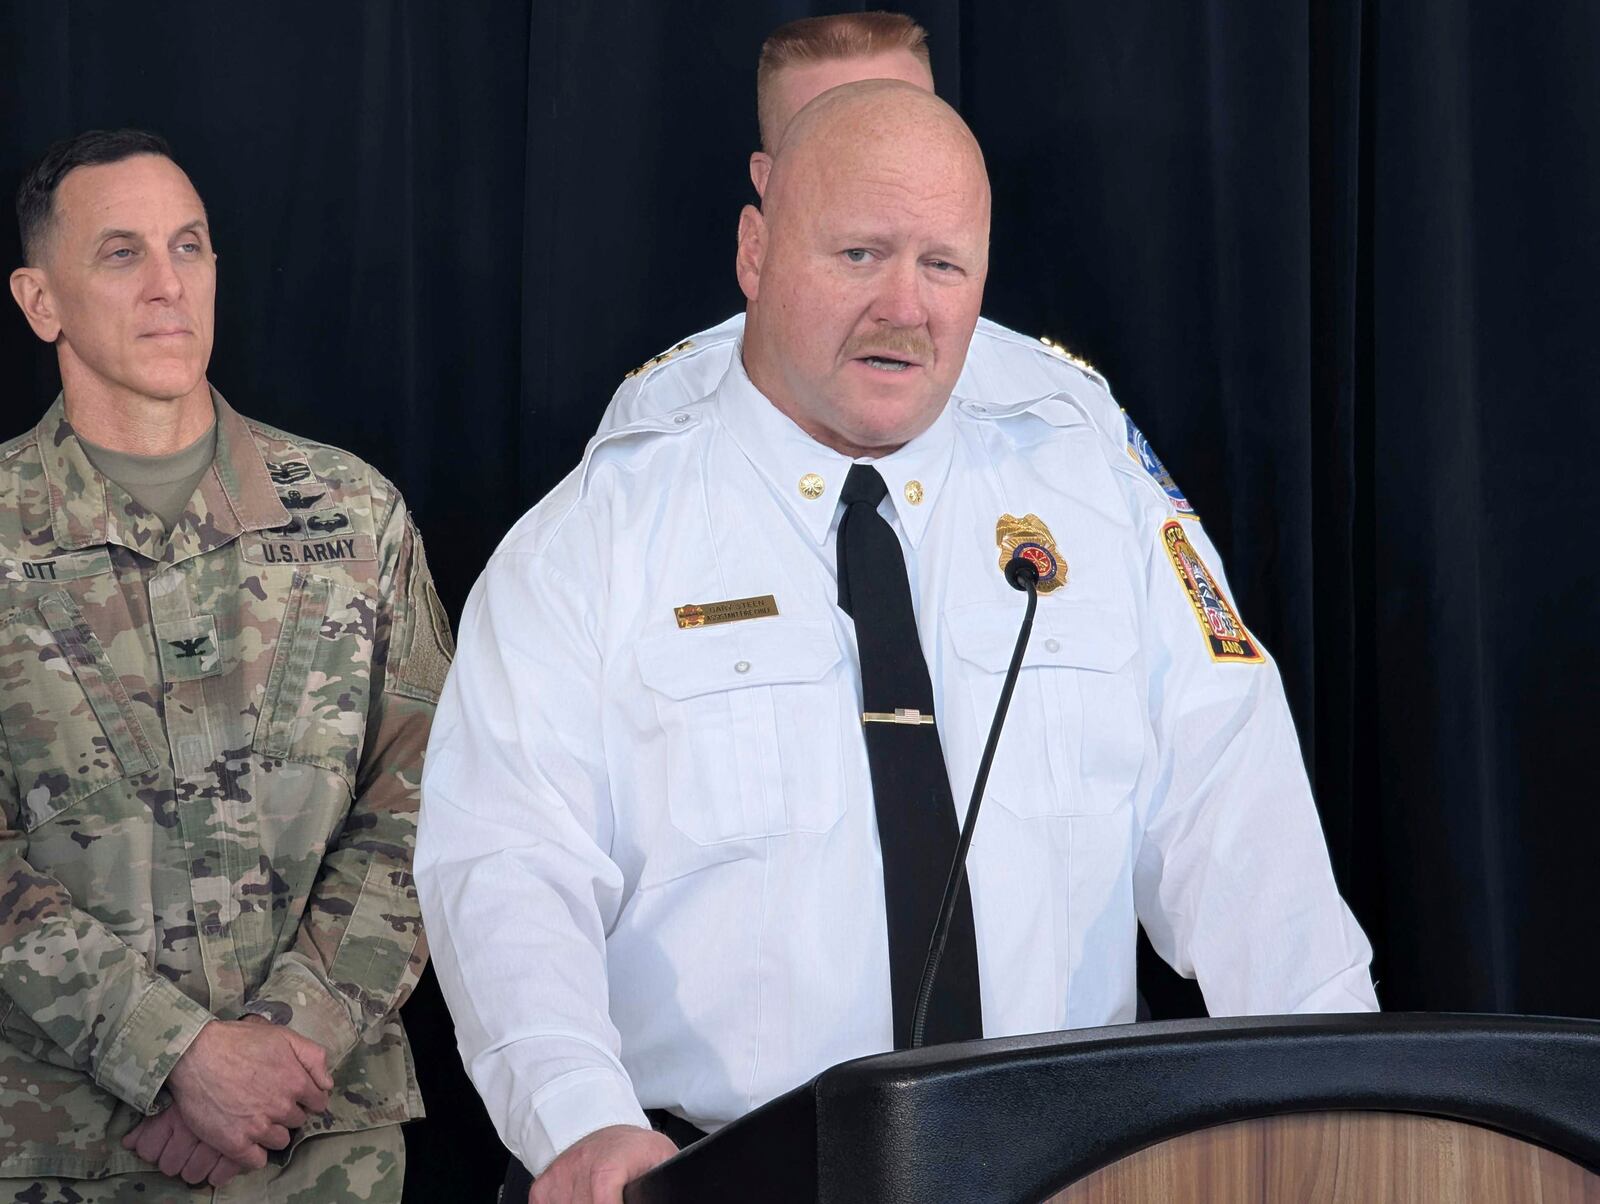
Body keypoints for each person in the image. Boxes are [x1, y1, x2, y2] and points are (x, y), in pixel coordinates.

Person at [417, 81, 1376, 1204]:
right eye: (860, 253)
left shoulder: (1098, 508)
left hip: (1075, 1170)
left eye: (944, 264)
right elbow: (505, 866)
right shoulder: (592, 541)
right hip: (724, 1176)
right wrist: (579, 1121)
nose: (904, 308)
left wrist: (1342, 1105)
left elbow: (1237, 820)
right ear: (754, 252)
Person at [0, 129, 448, 1201]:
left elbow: (435, 798)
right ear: (40, 300)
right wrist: (174, 1055)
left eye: (189, 247)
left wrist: (278, 1047)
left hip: (321, 1143)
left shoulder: (353, 515)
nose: (168, 286)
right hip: (69, 1151)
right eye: (121, 254)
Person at [600, 11, 1118, 445]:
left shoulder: (1062, 402)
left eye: (904, 120)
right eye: (825, 130)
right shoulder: (664, 407)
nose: (875, 150)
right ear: (766, 179)